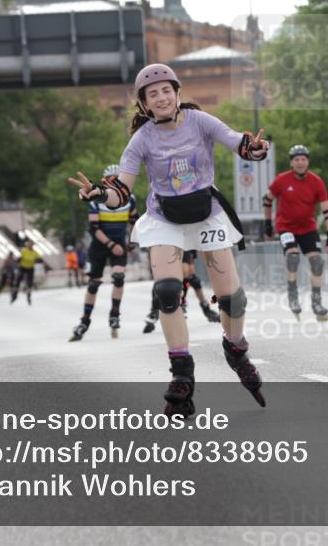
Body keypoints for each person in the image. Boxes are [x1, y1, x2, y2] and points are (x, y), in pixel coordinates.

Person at [69, 63, 268, 416]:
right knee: (166, 292)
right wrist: (99, 194)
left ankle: (235, 349)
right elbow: (122, 193)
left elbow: (238, 143)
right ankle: (182, 374)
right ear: (144, 104)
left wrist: (254, 150)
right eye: (152, 94)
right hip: (164, 217)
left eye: (166, 90)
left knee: (233, 299)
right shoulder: (142, 139)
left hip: (206, 212)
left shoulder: (199, 121)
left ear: (177, 93)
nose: (160, 98)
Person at [263, 144, 328, 321]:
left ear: (308, 161)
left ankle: (316, 301)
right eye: (296, 159)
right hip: (286, 226)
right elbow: (267, 199)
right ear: (291, 163)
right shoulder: (281, 180)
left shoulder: (316, 182)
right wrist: (267, 223)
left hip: (308, 228)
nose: (300, 162)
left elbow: (327, 210)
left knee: (317, 262)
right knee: (293, 257)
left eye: (303, 159)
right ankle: (293, 295)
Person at [69, 165, 138, 342]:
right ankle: (84, 321)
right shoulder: (95, 200)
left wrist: (132, 242)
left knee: (119, 277)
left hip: (119, 244)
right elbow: (94, 228)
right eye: (111, 180)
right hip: (100, 244)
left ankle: (114, 315)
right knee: (94, 284)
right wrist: (109, 244)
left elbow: (134, 222)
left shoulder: (130, 199)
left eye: (118, 180)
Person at [143, 249, 220, 334]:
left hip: (184, 242)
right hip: (164, 242)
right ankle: (155, 310)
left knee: (190, 275)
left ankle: (201, 307)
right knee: (162, 280)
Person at [10, 239, 42, 305]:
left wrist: (39, 260)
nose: (30, 246)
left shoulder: (34, 252)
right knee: (17, 281)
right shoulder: (24, 250)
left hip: (30, 268)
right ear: (27, 245)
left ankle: (28, 297)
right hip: (22, 267)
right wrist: (18, 260)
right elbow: (18, 257)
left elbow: (39, 258)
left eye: (31, 245)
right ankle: (14, 296)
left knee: (29, 283)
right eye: (29, 244)